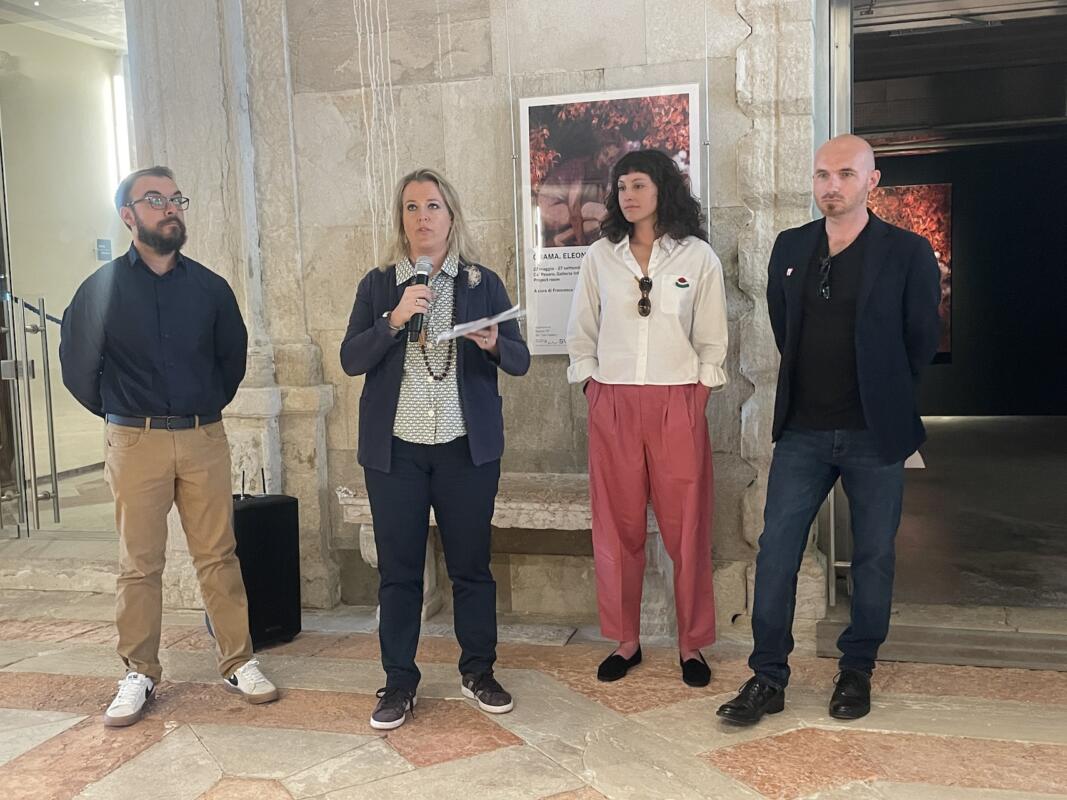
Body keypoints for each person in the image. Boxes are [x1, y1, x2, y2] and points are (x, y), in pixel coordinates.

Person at [717, 135, 941, 726]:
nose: (830, 185)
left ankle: (857, 668)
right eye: (821, 174)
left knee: (873, 555)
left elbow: (920, 339)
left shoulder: (907, 251)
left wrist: (884, 392)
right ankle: (768, 676)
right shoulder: (792, 246)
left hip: (874, 432)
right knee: (776, 552)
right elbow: (783, 323)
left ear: (872, 181)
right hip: (803, 431)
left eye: (844, 173)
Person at [59, 166, 278, 728]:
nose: (170, 207)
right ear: (128, 216)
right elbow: (79, 368)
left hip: (204, 436)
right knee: (139, 562)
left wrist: (201, 412)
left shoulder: (210, 288)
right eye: (154, 199)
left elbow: (231, 361)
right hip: (135, 441)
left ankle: (238, 661)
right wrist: (124, 416)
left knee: (218, 555)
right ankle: (139, 672)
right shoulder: (100, 289)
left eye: (176, 198)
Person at [340, 167, 530, 730]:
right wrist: (394, 320)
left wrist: (494, 344)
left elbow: (519, 359)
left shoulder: (480, 282)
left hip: (464, 450)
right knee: (399, 573)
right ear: (400, 220)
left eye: (433, 206)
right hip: (396, 452)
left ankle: (478, 671)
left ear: (451, 216)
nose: (422, 217)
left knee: (471, 567)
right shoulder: (379, 284)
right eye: (412, 207)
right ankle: (399, 681)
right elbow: (351, 359)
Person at [566, 149, 728, 687]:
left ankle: (691, 645)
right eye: (621, 187)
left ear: (663, 188)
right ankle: (626, 641)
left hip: (677, 401)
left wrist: (696, 398)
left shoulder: (697, 257)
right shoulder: (600, 257)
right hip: (612, 403)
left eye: (638, 184)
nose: (628, 195)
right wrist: (594, 389)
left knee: (688, 530)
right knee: (618, 528)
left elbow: (711, 338)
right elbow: (581, 330)